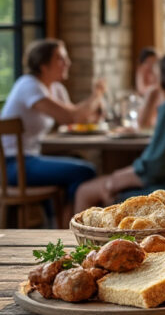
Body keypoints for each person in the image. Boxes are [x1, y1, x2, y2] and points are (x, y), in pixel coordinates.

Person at [73, 53, 165, 210]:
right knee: (107, 184)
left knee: (84, 191)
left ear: (163, 78)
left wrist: (114, 180)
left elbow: (153, 169)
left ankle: (71, 235)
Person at [1, 39, 104, 225]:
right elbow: (70, 117)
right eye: (60, 58)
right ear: (43, 65)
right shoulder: (29, 85)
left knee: (78, 161)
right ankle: (68, 226)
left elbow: (79, 118)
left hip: (30, 159)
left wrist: (95, 112)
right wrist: (96, 95)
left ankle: (59, 223)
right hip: (12, 165)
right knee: (85, 171)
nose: (68, 63)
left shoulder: (55, 88)